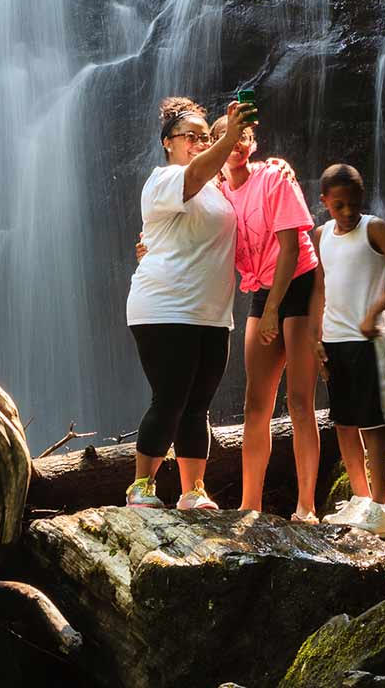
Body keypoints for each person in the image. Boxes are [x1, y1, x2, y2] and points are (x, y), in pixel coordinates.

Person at [123, 95, 254, 511]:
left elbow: (246, 192)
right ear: (169, 142)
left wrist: (271, 166)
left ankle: (192, 491)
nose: (199, 142)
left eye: (205, 136)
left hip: (212, 313)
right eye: (190, 136)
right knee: (171, 397)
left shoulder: (218, 191)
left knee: (198, 405)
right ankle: (141, 486)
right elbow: (198, 173)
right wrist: (227, 137)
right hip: (164, 306)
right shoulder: (165, 179)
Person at [214, 117, 322, 521]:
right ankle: (249, 504)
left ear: (253, 142)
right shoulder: (218, 193)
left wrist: (274, 309)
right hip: (262, 289)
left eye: (244, 136)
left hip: (297, 283)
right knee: (255, 404)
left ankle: (306, 506)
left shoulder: (275, 179)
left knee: (299, 401)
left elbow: (292, 247)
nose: (238, 144)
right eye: (229, 137)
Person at [310, 163, 385, 539]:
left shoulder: (374, 228)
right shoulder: (321, 235)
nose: (347, 212)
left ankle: (381, 507)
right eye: (338, 205)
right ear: (325, 201)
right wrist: (315, 338)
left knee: (374, 425)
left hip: (370, 342)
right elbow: (319, 289)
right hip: (335, 341)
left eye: (353, 203)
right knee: (344, 422)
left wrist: (374, 311)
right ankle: (359, 498)